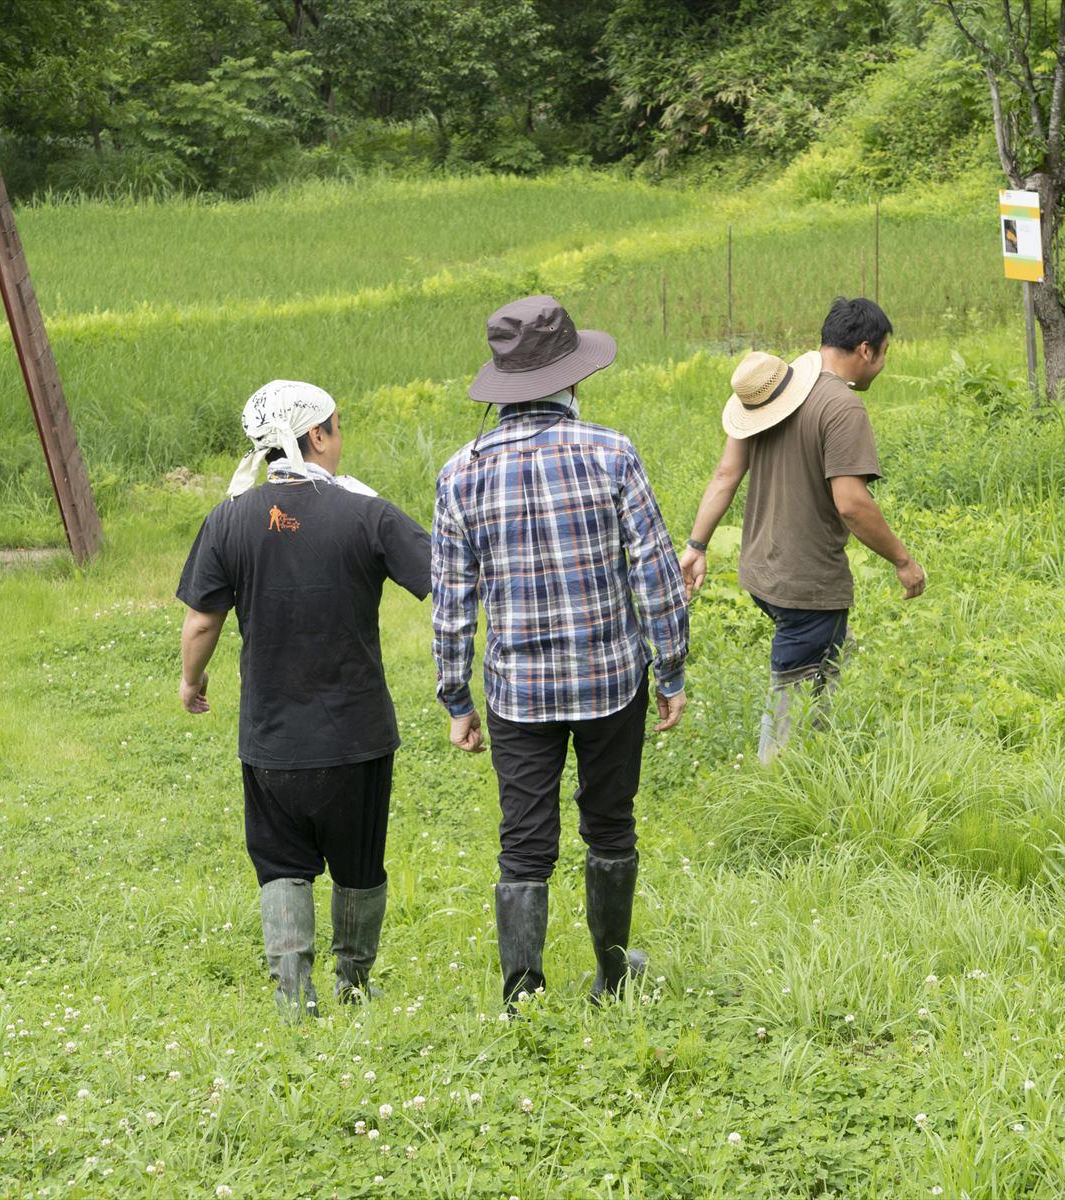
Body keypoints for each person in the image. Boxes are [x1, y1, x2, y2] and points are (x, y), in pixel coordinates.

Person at [432, 294, 690, 1006]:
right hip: (611, 679)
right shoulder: (612, 453)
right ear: (571, 377)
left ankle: (523, 995)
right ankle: (612, 977)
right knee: (610, 824)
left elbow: (453, 604)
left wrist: (456, 699)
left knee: (524, 839)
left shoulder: (461, 474)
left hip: (516, 691)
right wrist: (670, 670)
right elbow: (656, 573)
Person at [176, 380, 431, 1017]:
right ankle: (353, 983)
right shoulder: (366, 513)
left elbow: (202, 621)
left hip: (272, 739)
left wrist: (192, 680)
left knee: (282, 862)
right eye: (337, 427)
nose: (341, 440)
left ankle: (293, 992)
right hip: (357, 736)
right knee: (359, 863)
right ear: (316, 435)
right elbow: (440, 578)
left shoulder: (229, 518)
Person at [680, 297, 925, 762]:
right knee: (790, 704)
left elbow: (725, 475)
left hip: (762, 573)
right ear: (867, 349)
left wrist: (696, 545)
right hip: (805, 582)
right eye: (886, 352)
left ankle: (829, 733)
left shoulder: (772, 390)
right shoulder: (841, 406)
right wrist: (903, 560)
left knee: (830, 653)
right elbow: (852, 504)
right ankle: (774, 791)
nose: (884, 364)